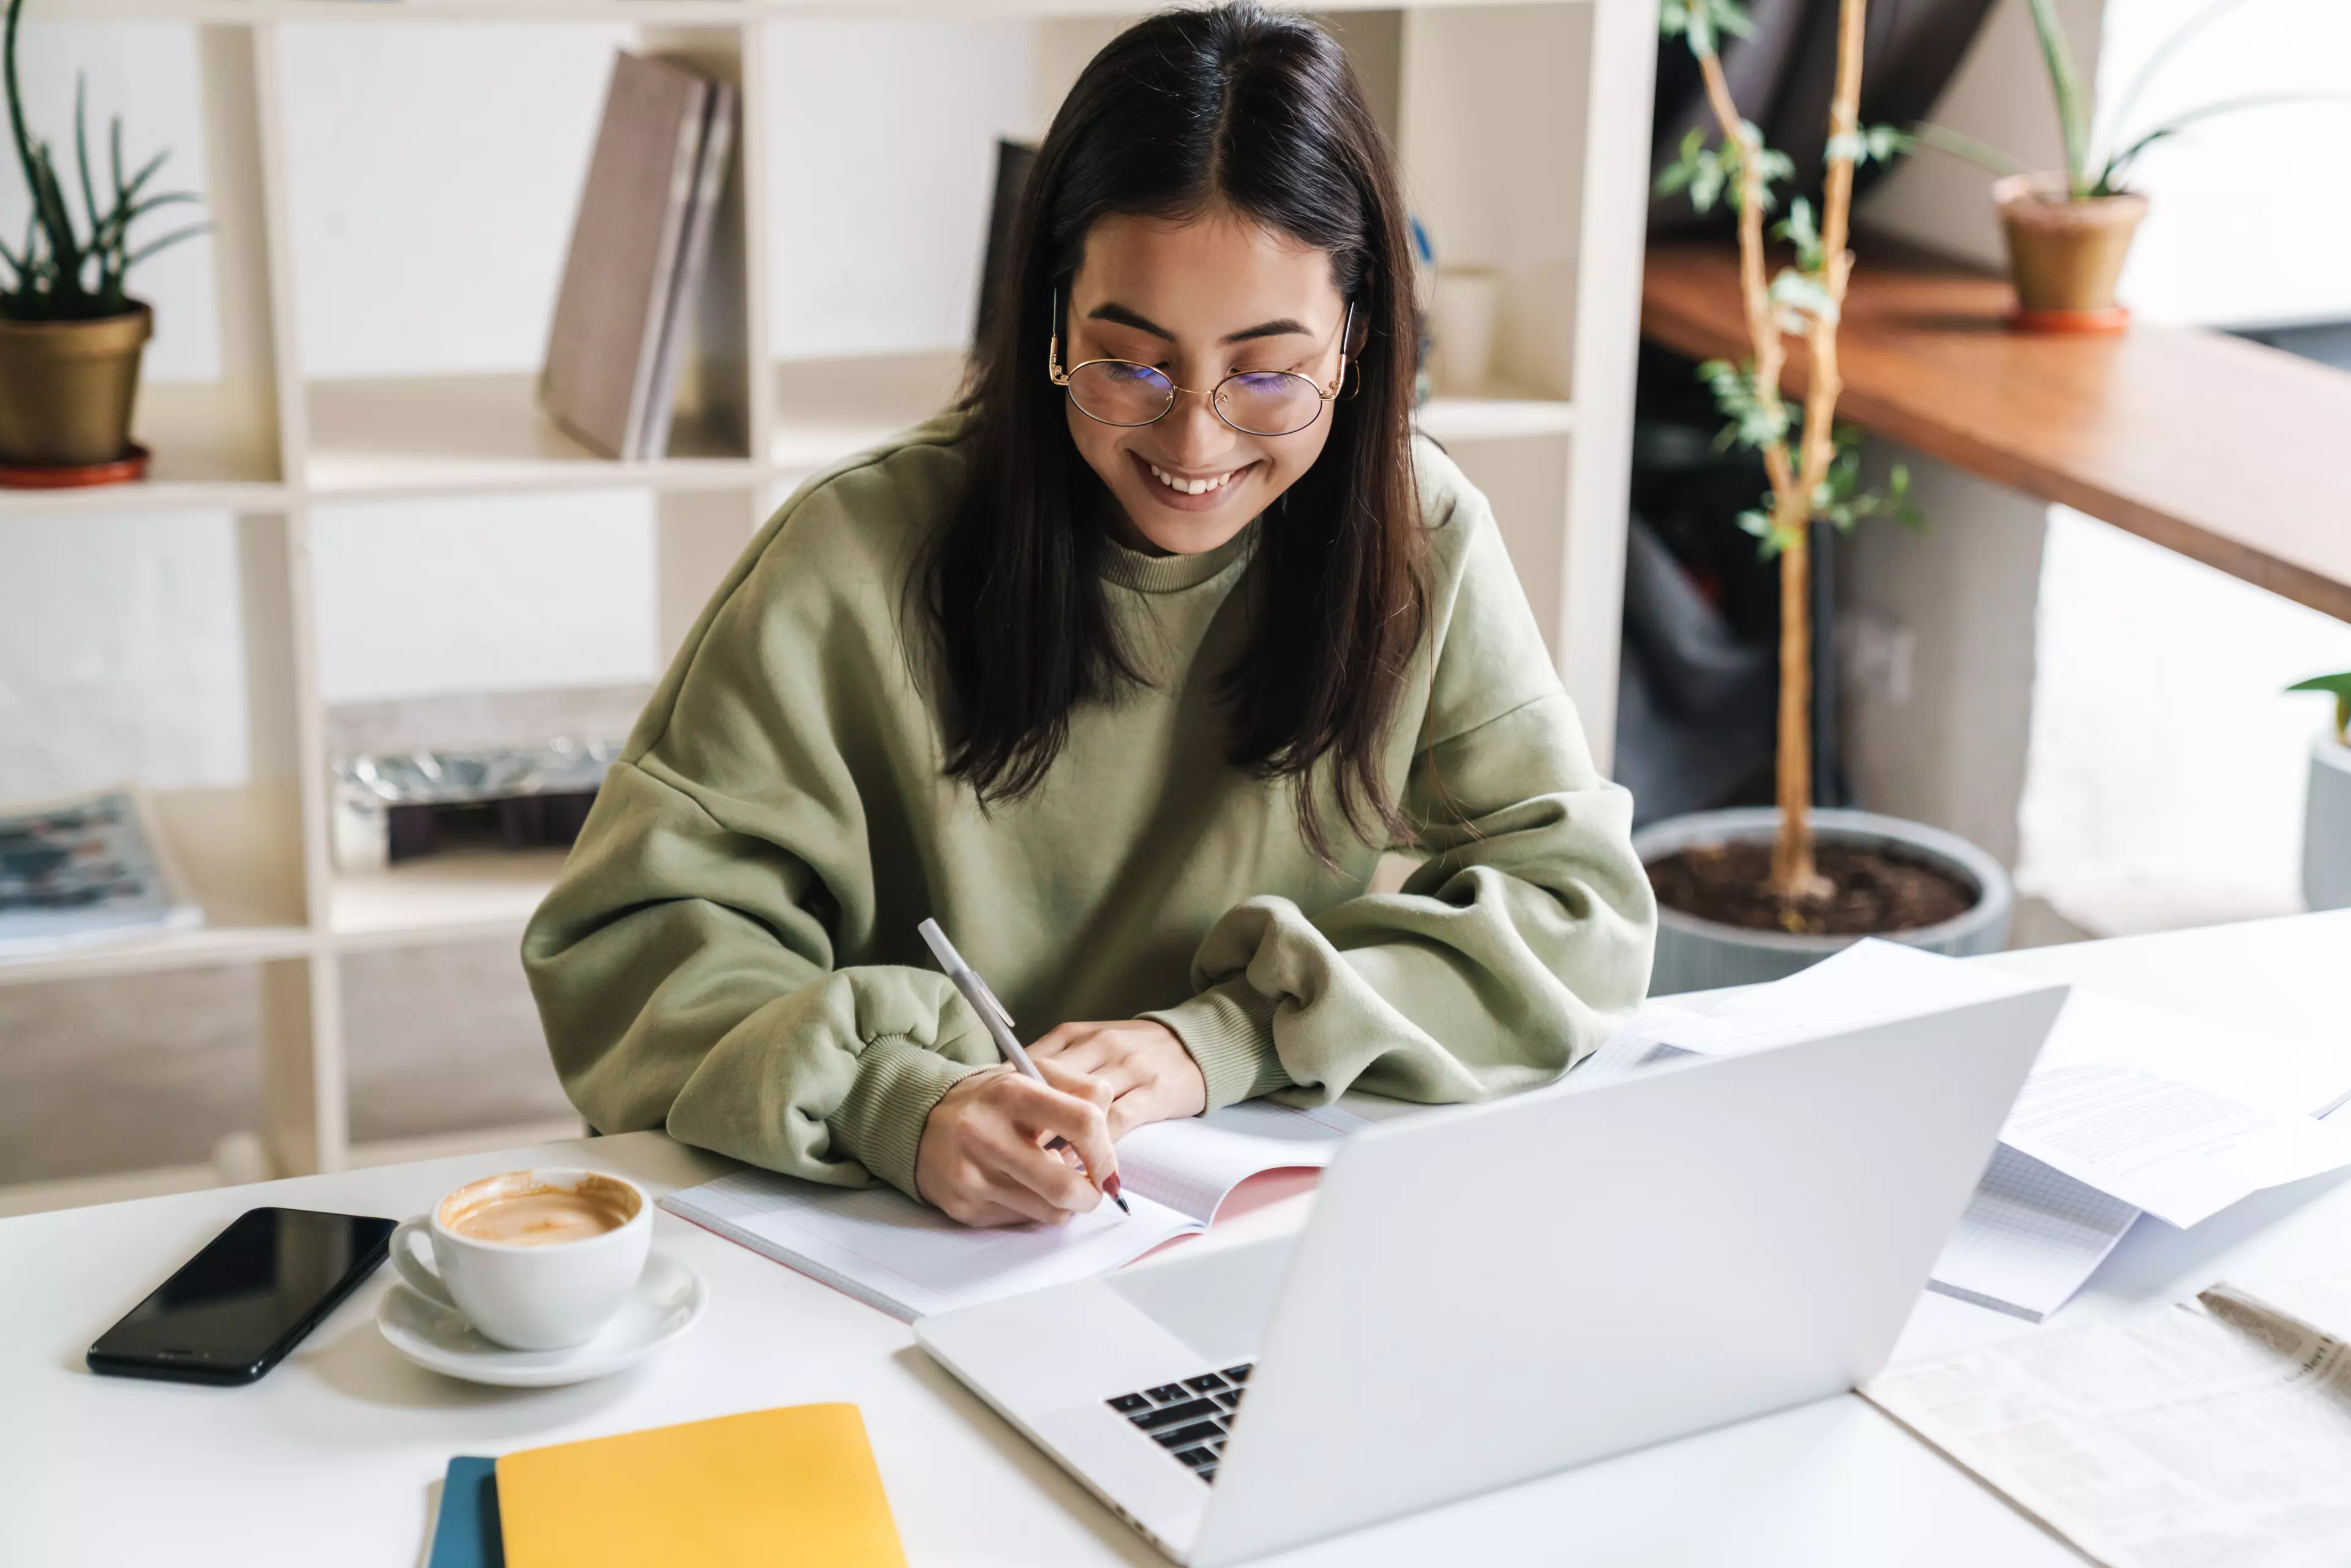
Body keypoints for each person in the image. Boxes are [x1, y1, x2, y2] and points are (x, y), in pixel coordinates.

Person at [523, 3, 1655, 1229]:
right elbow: (628, 951)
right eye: (1134, 361)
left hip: (1241, 1217)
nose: (1195, 441)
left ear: (1360, 344)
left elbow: (1582, 913)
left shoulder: (1416, 534)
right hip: (898, 1239)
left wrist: (1220, 1040)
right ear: (1053, 317)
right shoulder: (855, 556)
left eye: (1268, 373)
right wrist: (899, 1098)